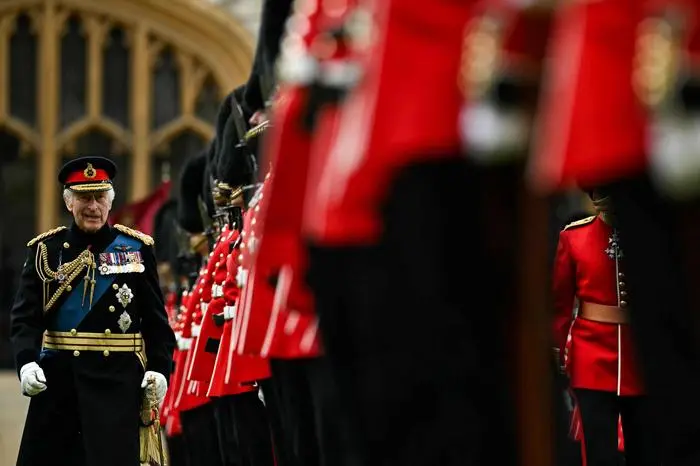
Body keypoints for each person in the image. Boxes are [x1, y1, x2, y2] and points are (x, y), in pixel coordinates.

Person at [10, 156, 176, 466]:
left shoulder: (135, 249)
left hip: (116, 387)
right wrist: (27, 362)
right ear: (69, 202)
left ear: (111, 201)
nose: (93, 206)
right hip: (59, 386)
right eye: (84, 197)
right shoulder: (47, 251)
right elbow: (25, 319)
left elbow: (156, 321)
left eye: (100, 197)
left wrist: (159, 368)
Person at [552, 188, 659, 466]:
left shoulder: (647, 235)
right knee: (599, 451)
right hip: (592, 358)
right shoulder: (574, 237)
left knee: (647, 446)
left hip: (639, 358)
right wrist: (559, 350)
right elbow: (561, 305)